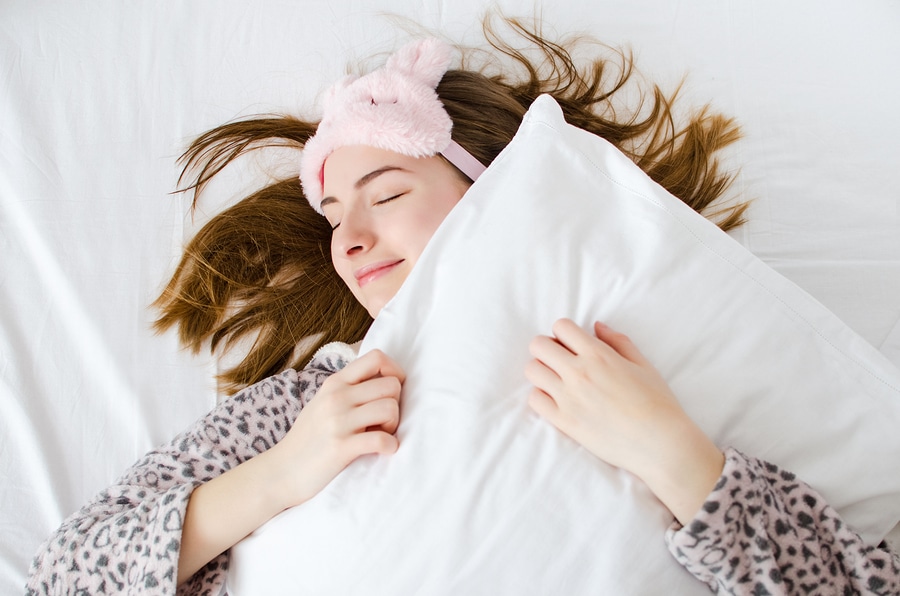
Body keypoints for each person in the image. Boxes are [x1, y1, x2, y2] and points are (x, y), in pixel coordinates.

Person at [26, 17, 899, 596]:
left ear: (493, 189)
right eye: (334, 217)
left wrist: (678, 460)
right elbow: (61, 578)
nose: (351, 239)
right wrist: (285, 473)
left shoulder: (647, 346)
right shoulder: (314, 403)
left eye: (387, 190)